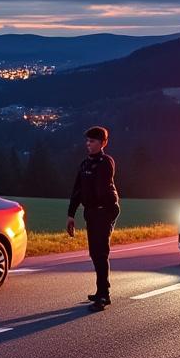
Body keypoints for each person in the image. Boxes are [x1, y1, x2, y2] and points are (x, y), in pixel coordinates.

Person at [67, 126, 120, 310]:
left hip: (104, 211)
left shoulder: (106, 162)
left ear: (103, 143)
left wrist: (109, 211)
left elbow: (103, 188)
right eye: (87, 141)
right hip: (91, 212)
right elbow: (77, 190)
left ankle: (104, 295)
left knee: (100, 252)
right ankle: (101, 291)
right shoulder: (84, 164)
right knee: (94, 253)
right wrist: (70, 215)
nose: (88, 144)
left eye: (93, 141)